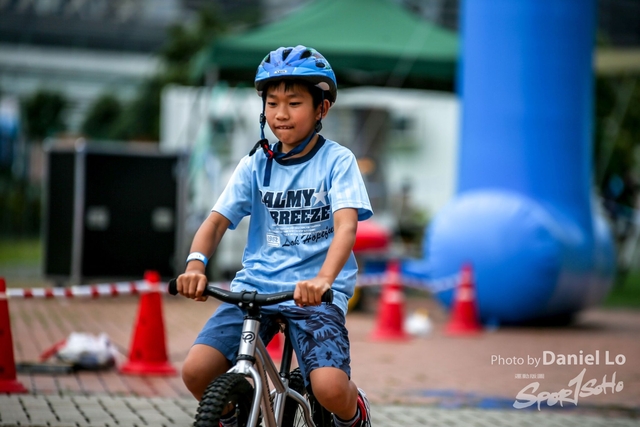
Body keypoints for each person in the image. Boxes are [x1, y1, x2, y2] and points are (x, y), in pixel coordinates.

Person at [176, 45, 373, 427]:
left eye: (294, 103)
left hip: (314, 293)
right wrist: (195, 265)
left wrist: (323, 280)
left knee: (331, 389)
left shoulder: (337, 161)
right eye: (272, 103)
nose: (281, 114)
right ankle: (233, 414)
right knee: (197, 372)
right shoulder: (255, 164)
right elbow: (215, 222)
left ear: (321, 109)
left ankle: (355, 413)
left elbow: (347, 227)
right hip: (257, 288)